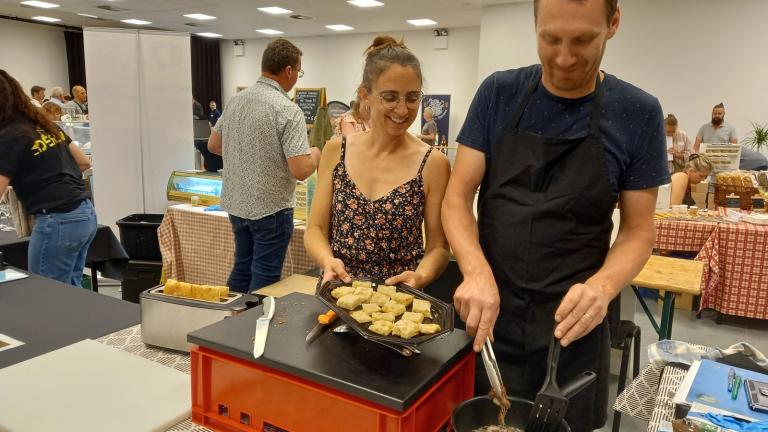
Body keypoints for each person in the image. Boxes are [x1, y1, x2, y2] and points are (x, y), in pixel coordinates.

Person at [441, 0, 668, 430]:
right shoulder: (499, 93)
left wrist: (602, 289)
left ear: (613, 23)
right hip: (488, 321)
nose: (563, 58)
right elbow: (456, 198)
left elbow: (639, 232)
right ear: (535, 25)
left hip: (573, 332)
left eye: (583, 40)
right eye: (550, 39)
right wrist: (473, 270)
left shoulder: (637, 112)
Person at [305, 35, 451, 289]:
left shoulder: (432, 163)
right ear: (366, 96)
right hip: (338, 295)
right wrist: (327, 260)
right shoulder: (336, 151)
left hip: (398, 303)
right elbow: (315, 229)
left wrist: (421, 276)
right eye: (390, 97)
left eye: (412, 98)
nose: (403, 110)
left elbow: (438, 246)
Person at [208, 38, 320, 293]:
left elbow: (214, 145)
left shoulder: (236, 100)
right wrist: (317, 152)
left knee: (241, 267)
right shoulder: (287, 110)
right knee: (265, 278)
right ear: (289, 71)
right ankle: (252, 327)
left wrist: (247, 154)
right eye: (298, 72)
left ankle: (230, 321)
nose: (297, 78)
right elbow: (301, 169)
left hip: (237, 205)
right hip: (272, 209)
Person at [0, 70, 96, 287]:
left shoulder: (9, 135)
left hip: (58, 220)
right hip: (84, 212)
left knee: (48, 294)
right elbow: (83, 162)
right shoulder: (43, 124)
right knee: (72, 290)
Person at [41, 102, 92, 172]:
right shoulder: (44, 129)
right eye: (55, 113)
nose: (57, 116)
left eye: (58, 113)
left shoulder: (61, 126)